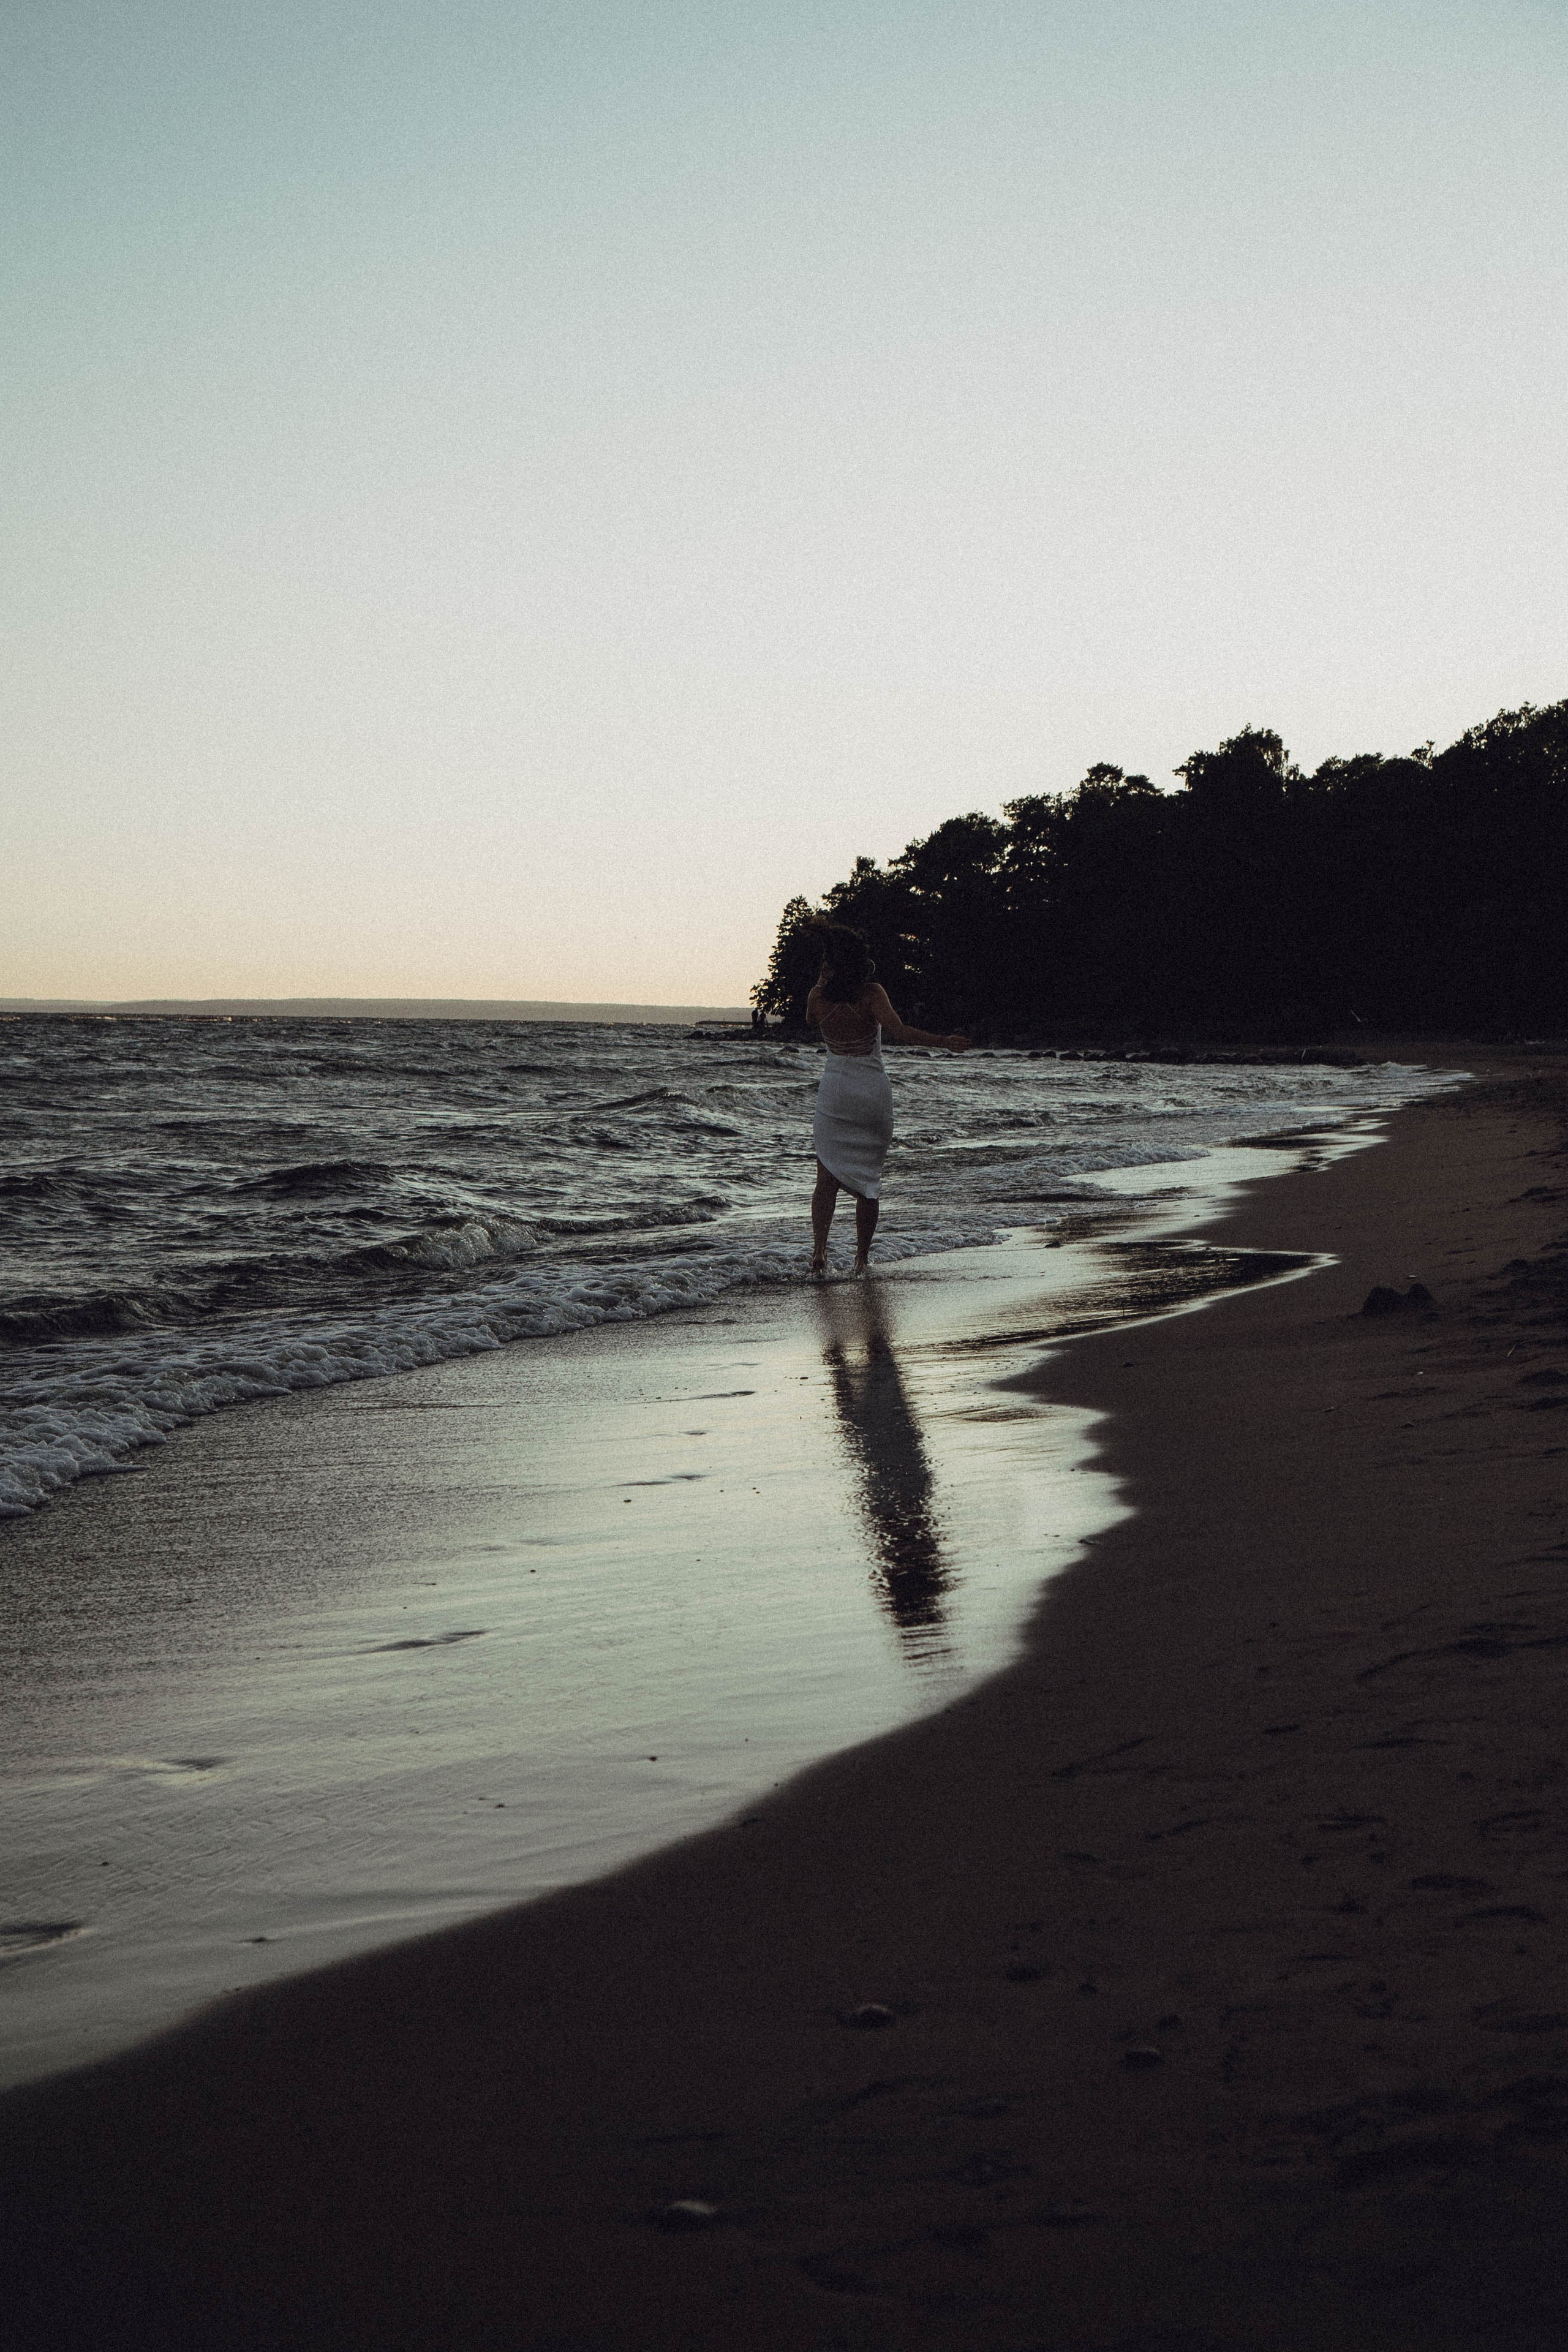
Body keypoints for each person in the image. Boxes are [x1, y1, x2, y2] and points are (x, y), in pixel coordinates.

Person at [805, 924, 970, 1276]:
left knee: (826, 1178)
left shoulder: (817, 998)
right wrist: (944, 1041)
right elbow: (902, 1033)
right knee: (869, 1182)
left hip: (835, 1093)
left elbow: (809, 1021)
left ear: (832, 965)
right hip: (870, 1093)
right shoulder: (871, 994)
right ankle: (861, 1260)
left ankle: (819, 1252)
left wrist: (821, 983)